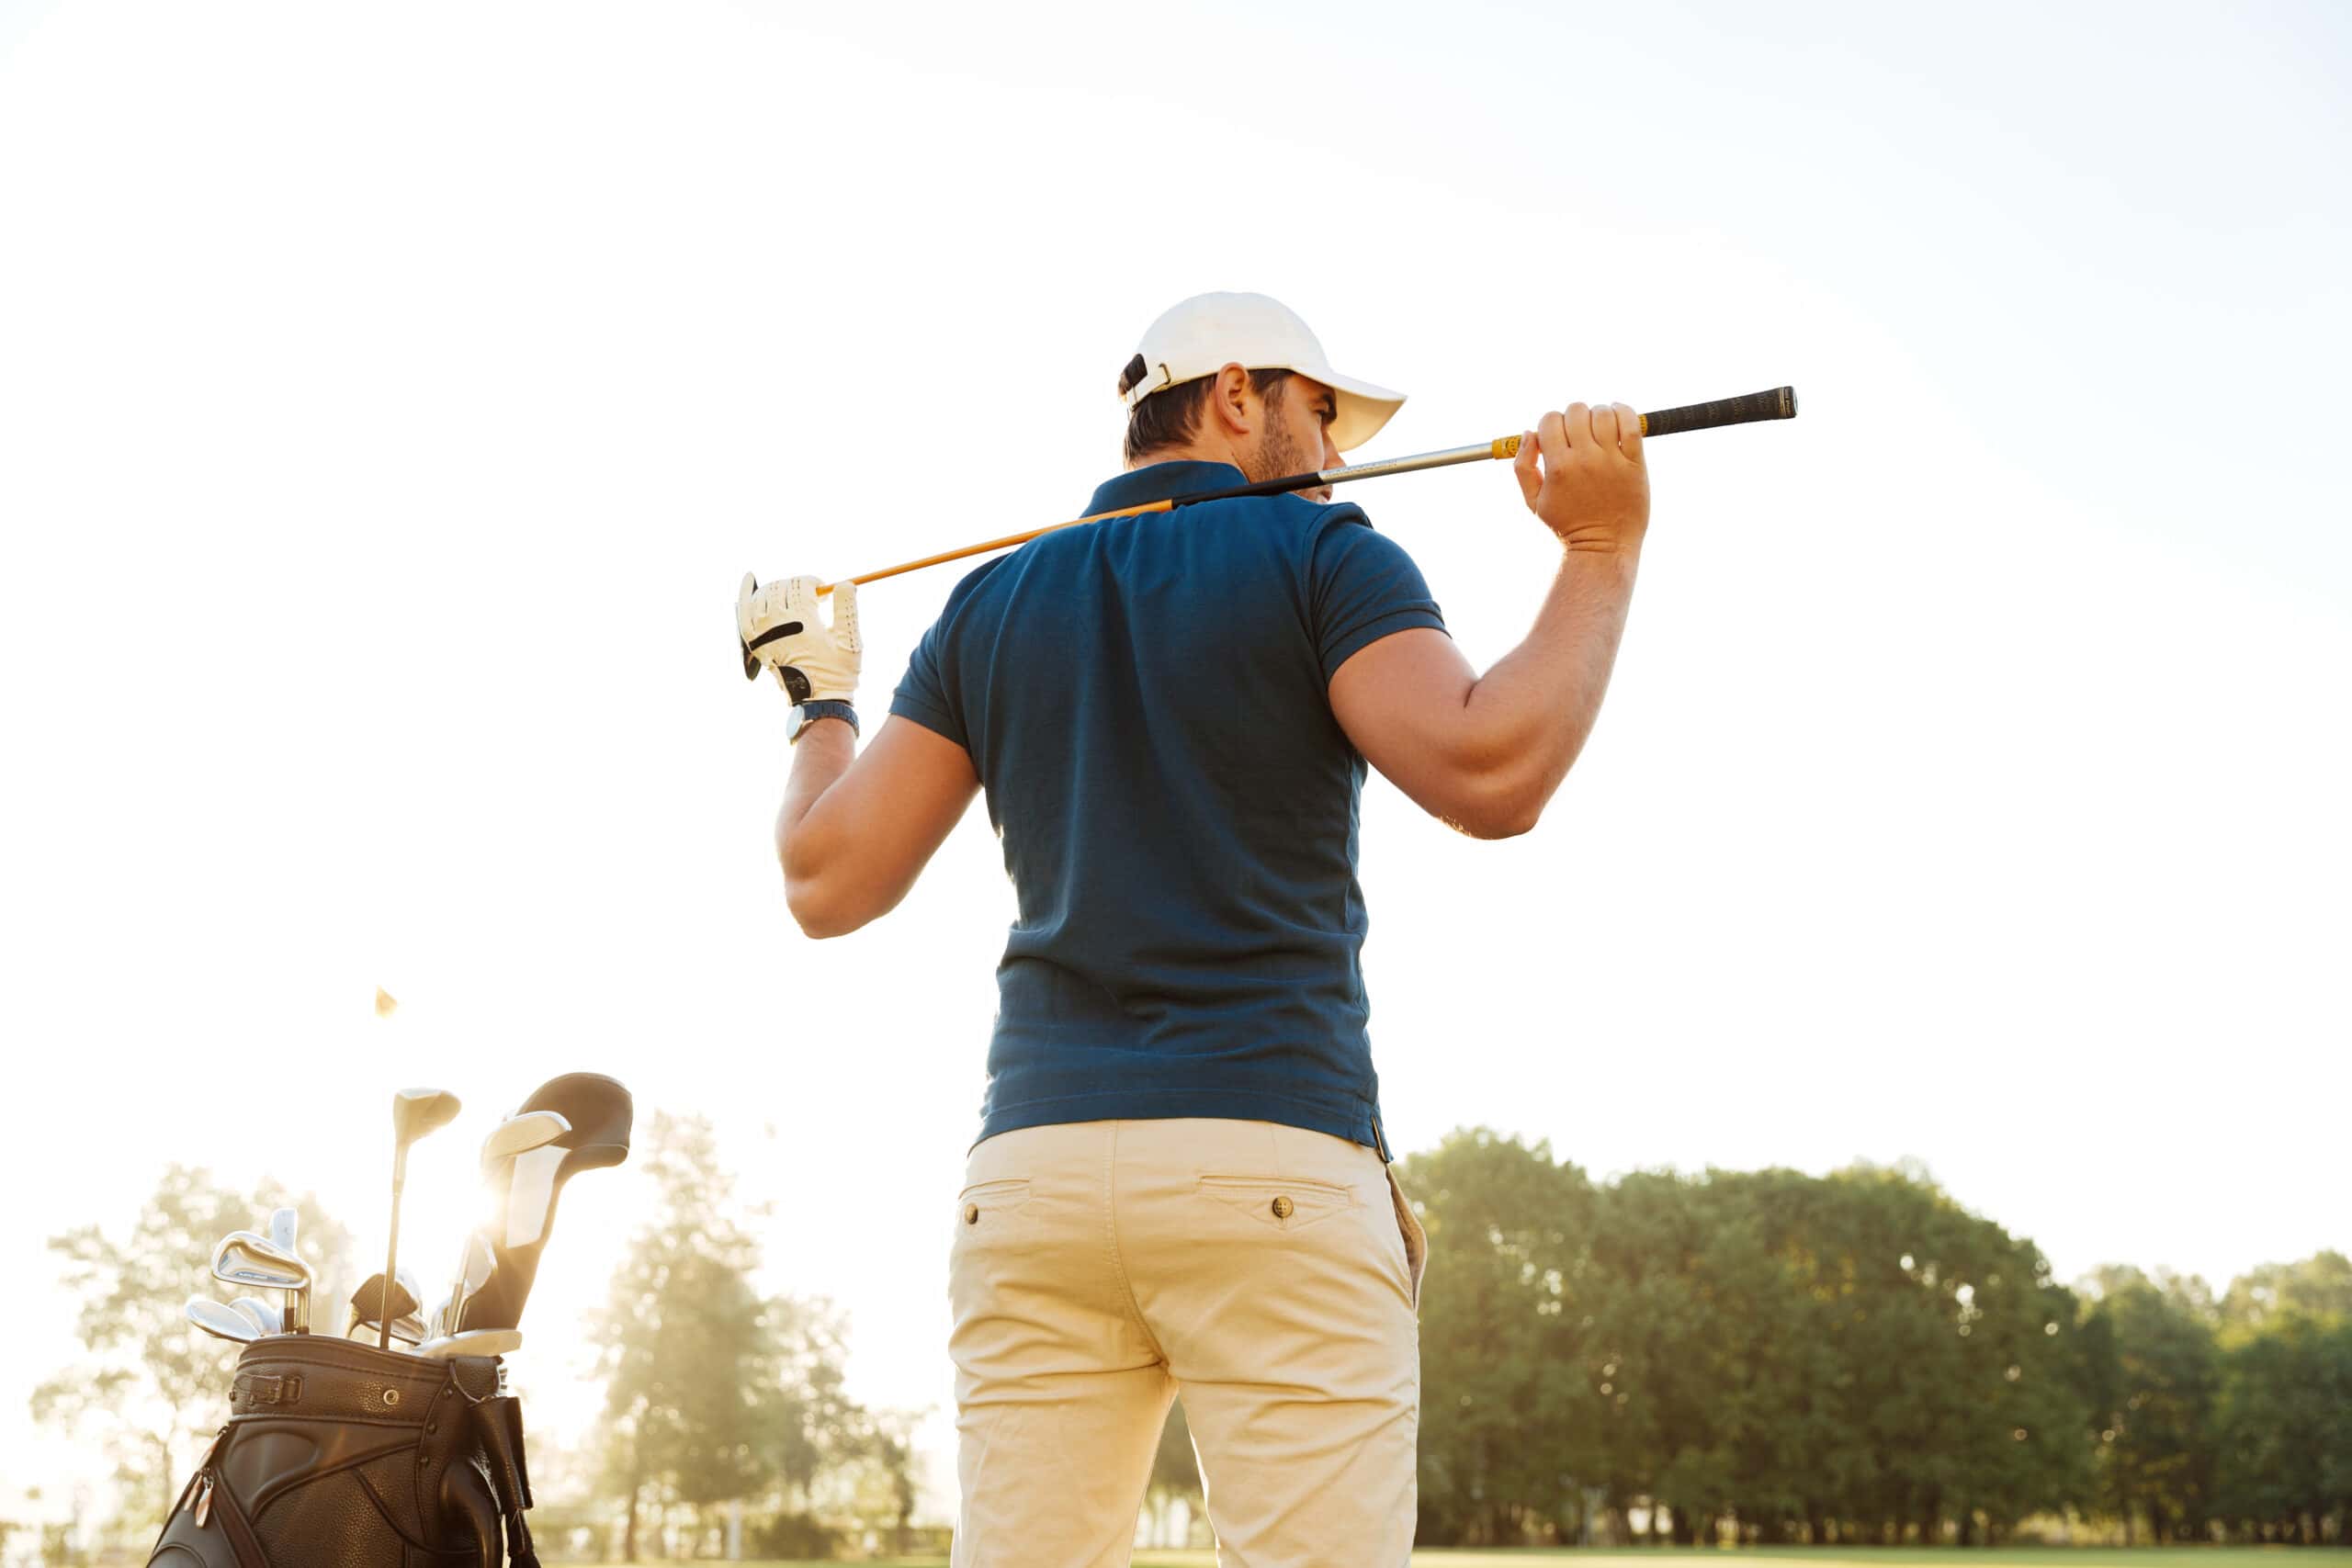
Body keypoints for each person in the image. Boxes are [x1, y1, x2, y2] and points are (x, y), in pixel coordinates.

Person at [735, 291, 1651, 1566]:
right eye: (1319, 417)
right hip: (1267, 1164)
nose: (1331, 456)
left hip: (1034, 1186)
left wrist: (815, 699)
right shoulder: (1329, 558)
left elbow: (825, 880)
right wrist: (1600, 545)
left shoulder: (990, 603)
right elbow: (1491, 773)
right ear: (1236, 394)